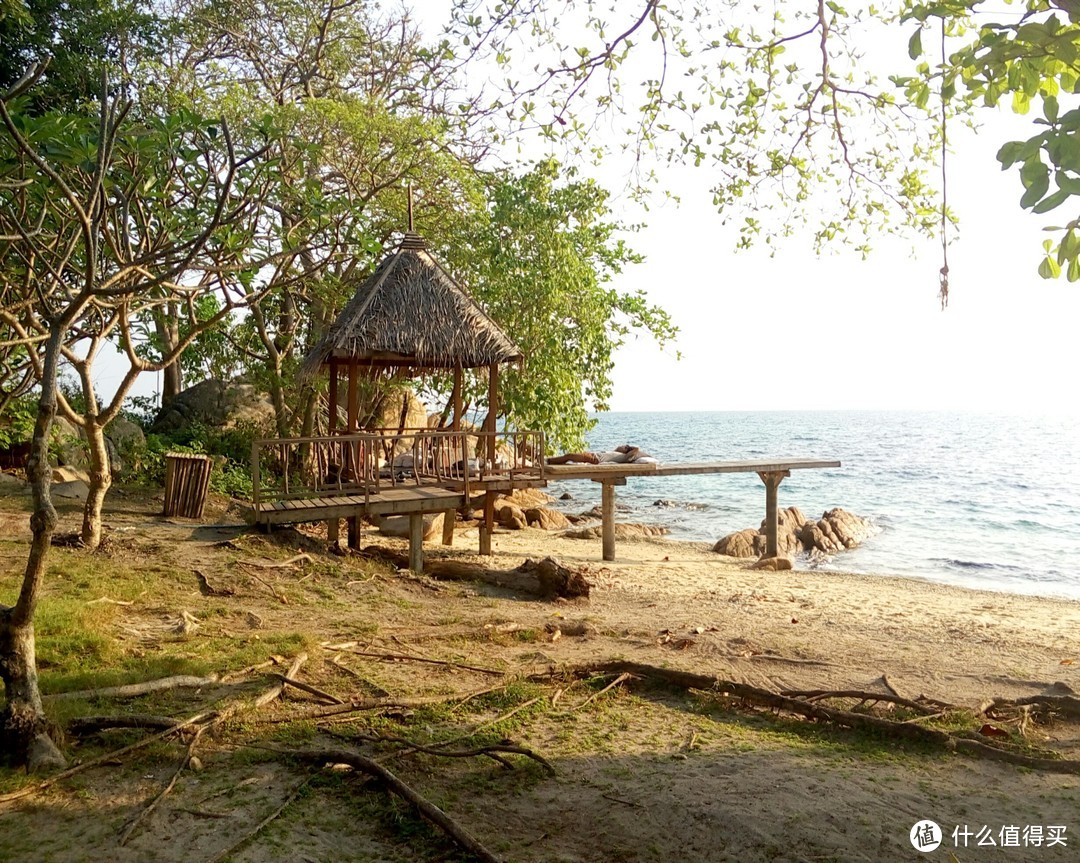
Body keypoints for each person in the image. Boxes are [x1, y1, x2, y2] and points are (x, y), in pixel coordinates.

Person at [547, 444, 658, 465]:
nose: (622, 445)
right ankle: (550, 460)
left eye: (625, 446)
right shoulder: (616, 453)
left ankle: (548, 461)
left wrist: (630, 448)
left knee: (569, 456)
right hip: (593, 456)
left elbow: (637, 449)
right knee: (569, 456)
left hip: (595, 459)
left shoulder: (625, 457)